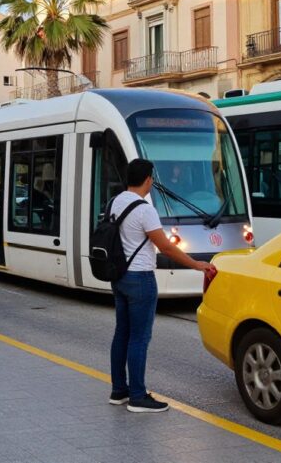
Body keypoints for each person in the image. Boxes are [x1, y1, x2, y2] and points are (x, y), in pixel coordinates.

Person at [107, 159, 215, 413]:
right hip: (140, 279)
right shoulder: (145, 210)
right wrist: (196, 264)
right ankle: (137, 396)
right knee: (139, 338)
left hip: (120, 277)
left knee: (122, 333)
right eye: (152, 178)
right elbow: (165, 247)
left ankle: (118, 390)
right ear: (147, 179)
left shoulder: (115, 202)